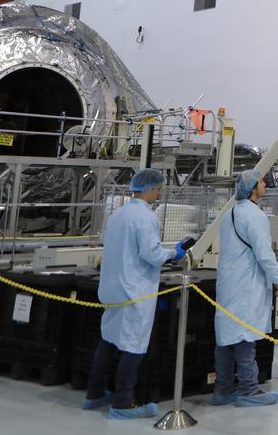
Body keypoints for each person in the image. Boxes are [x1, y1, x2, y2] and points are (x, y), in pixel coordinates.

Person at [83, 168, 193, 420]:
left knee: (108, 340)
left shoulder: (118, 214)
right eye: (159, 189)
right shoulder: (146, 217)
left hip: (112, 288)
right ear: (151, 189)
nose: (160, 193)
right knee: (134, 344)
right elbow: (151, 254)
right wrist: (174, 253)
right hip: (135, 291)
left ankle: (94, 394)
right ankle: (123, 402)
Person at [214, 170, 278, 407]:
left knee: (226, 338)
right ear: (253, 188)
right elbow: (264, 253)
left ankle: (223, 389)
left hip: (229, 284)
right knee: (245, 337)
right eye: (262, 181)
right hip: (246, 285)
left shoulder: (230, 213)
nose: (265, 184)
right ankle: (247, 390)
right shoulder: (255, 217)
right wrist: (277, 279)